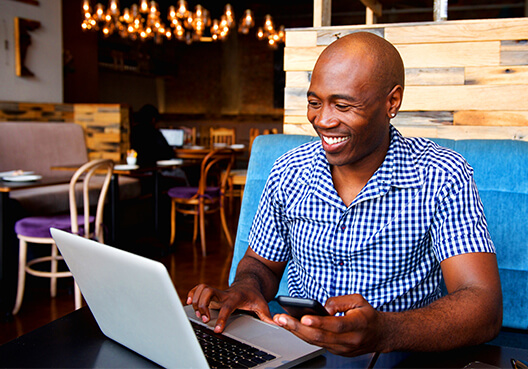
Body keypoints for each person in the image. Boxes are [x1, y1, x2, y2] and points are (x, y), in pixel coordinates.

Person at [187, 32, 502, 357]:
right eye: (314, 102)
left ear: (391, 102)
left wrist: (385, 331)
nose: (323, 120)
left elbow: (483, 306)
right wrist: (246, 288)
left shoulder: (440, 174)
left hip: (395, 355)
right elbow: (260, 264)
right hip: (294, 347)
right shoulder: (289, 170)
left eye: (343, 105)